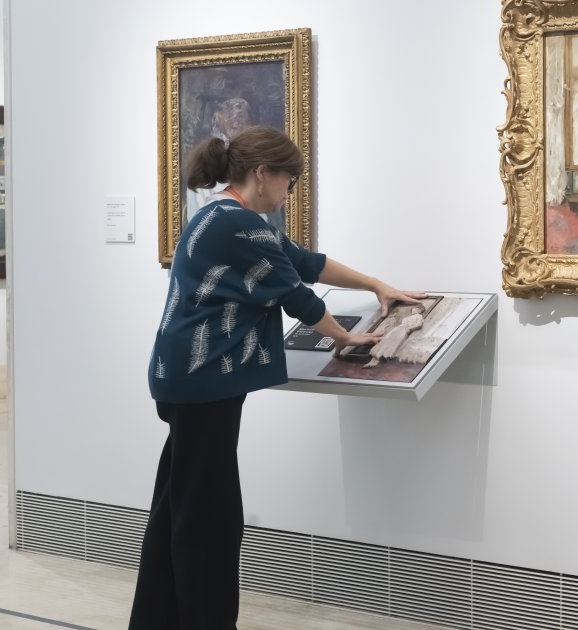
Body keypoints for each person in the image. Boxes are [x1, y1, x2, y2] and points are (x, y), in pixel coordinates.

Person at [129, 126, 425, 629]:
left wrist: (376, 284)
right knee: (212, 520)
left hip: (186, 378)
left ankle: (158, 619)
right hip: (205, 381)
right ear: (263, 174)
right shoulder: (238, 226)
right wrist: (344, 337)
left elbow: (306, 262)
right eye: (288, 179)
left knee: (178, 505)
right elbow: (298, 295)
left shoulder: (224, 215)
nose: (290, 190)